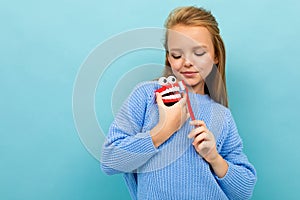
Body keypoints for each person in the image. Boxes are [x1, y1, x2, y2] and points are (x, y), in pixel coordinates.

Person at [101, 6, 257, 200]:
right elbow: (110, 161)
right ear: (168, 57)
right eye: (177, 55)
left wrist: (214, 157)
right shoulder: (146, 96)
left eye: (199, 53)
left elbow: (243, 191)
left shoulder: (221, 115)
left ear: (216, 55)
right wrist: (164, 129)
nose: (187, 62)